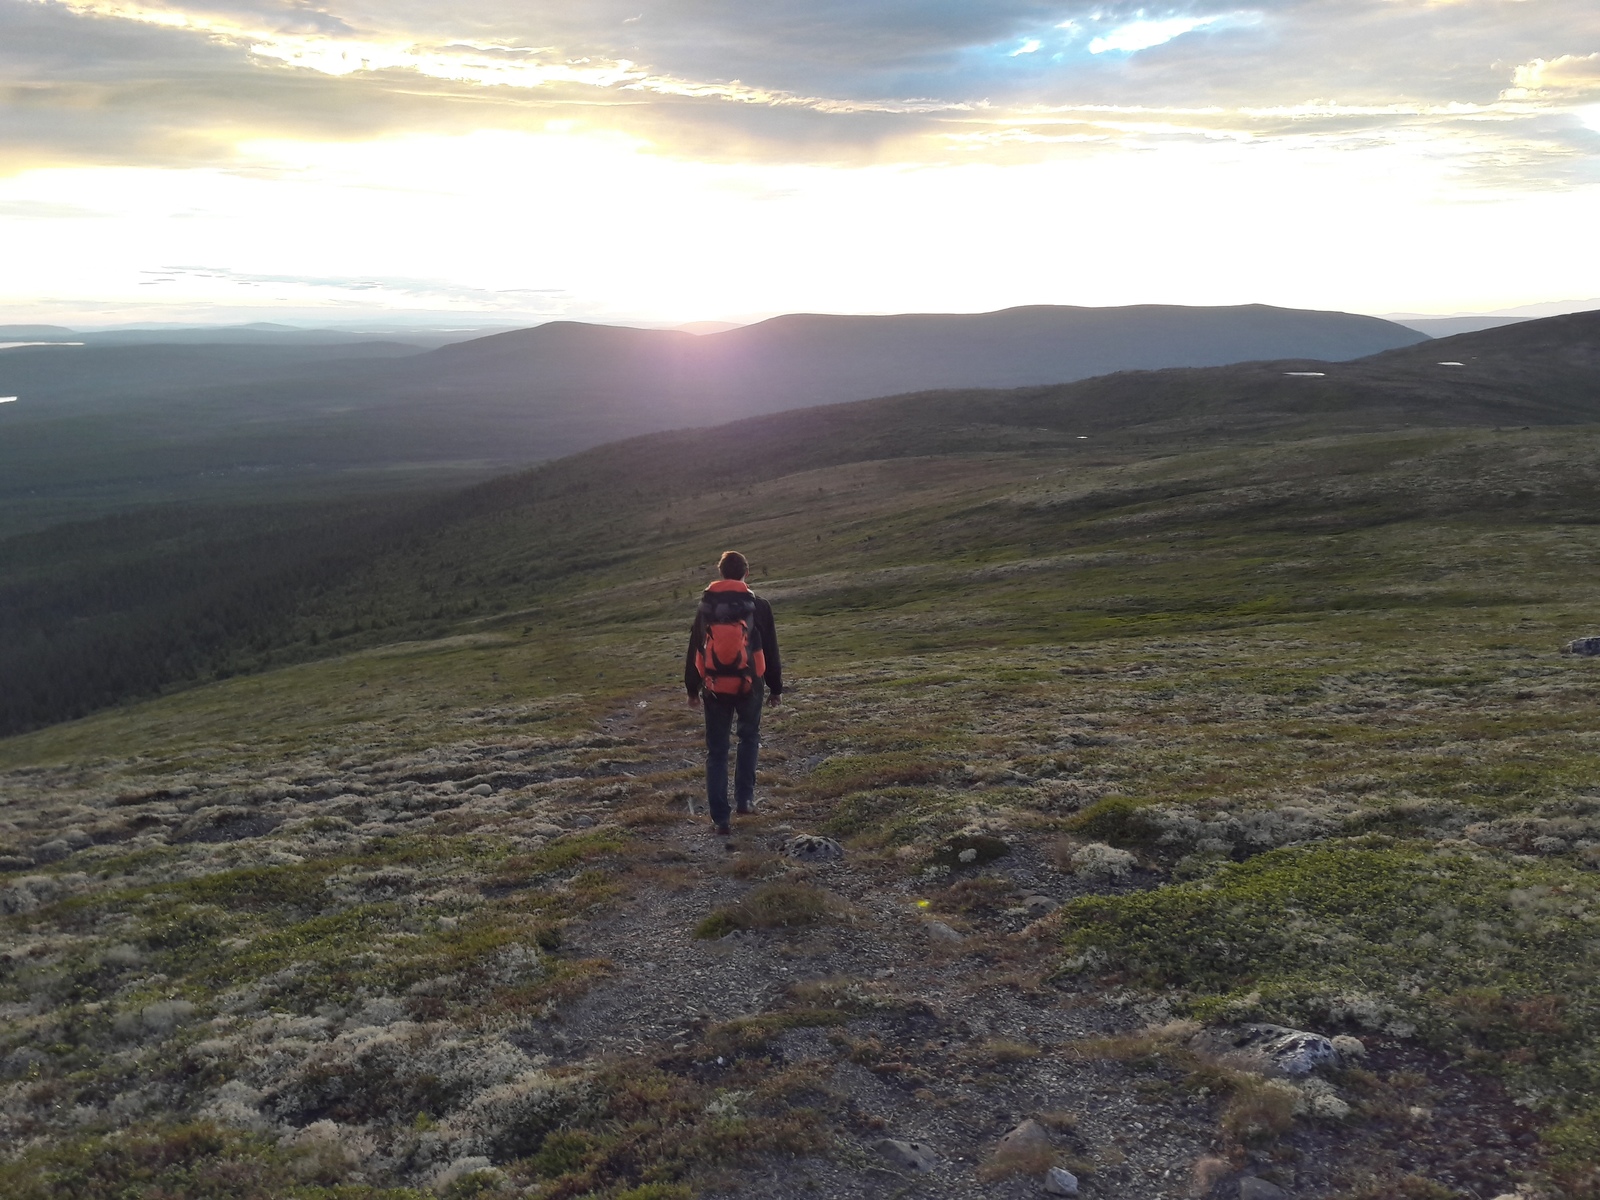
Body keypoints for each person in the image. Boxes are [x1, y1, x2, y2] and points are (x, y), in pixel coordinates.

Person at [684, 551, 782, 836]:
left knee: (716, 751)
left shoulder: (705, 608)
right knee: (749, 737)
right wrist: (776, 689)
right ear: (746, 574)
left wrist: (692, 688)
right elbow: (772, 651)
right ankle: (745, 800)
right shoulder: (759, 606)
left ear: (721, 574)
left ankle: (720, 818)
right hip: (751, 683)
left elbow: (695, 649)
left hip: (714, 687)